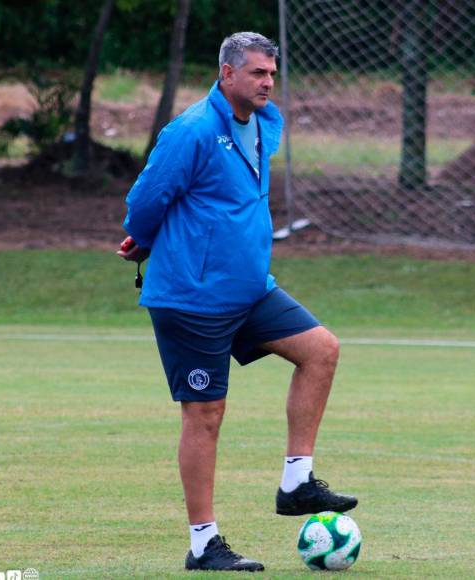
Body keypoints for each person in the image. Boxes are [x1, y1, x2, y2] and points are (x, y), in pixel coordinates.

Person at [118, 31, 357, 572]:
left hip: (250, 289)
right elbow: (146, 200)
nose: (268, 82)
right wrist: (144, 237)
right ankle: (204, 543)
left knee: (321, 349)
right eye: (256, 73)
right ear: (227, 74)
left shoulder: (263, 125)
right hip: (193, 296)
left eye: (272, 73)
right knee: (206, 415)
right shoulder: (194, 130)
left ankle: (296, 482)